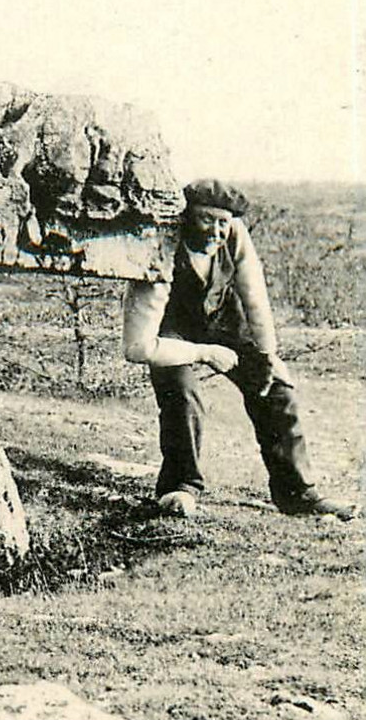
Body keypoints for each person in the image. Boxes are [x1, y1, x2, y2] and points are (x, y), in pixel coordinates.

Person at [121, 179, 355, 519]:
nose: (216, 231)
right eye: (206, 220)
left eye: (223, 222)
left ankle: (299, 496)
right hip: (168, 328)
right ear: (186, 217)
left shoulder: (234, 235)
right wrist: (203, 353)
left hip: (221, 321)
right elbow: (138, 347)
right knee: (181, 392)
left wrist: (268, 355)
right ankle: (179, 488)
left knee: (275, 389)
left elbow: (255, 297)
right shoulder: (161, 249)